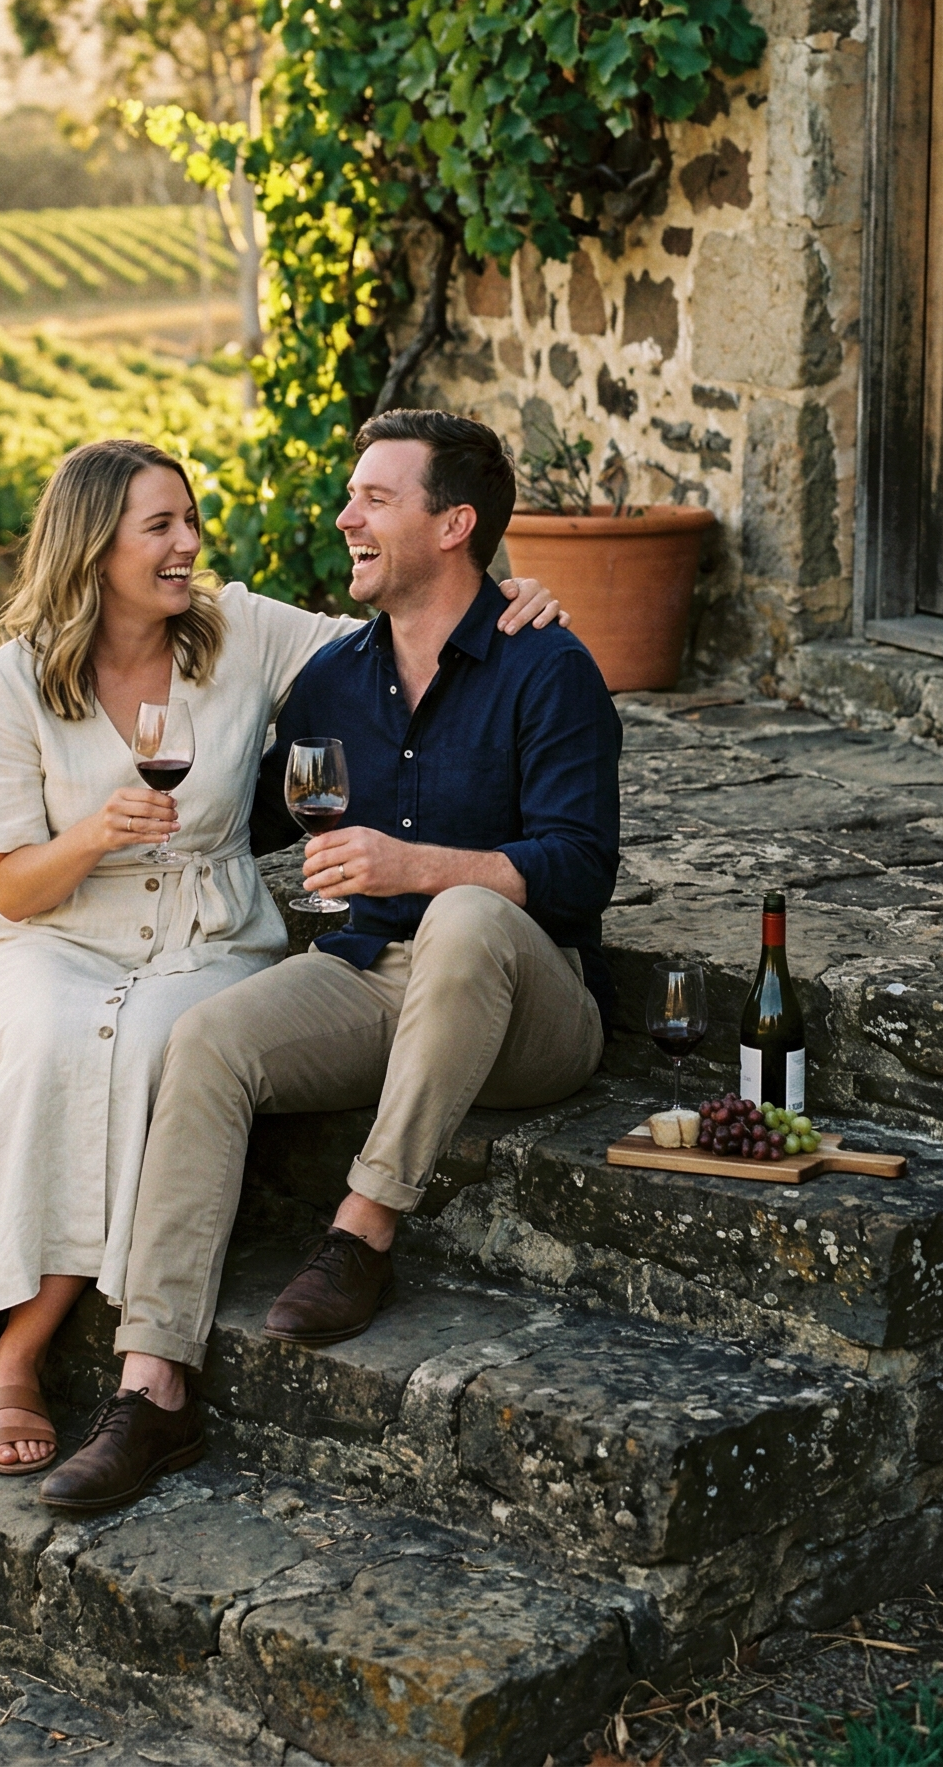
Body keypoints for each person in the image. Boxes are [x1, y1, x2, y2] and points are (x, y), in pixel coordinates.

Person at [0, 434, 565, 1474]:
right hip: (56, 935)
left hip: (206, 937)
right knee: (61, 1046)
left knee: (155, 1047)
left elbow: (404, 624)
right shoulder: (14, 682)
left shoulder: (238, 631)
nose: (188, 546)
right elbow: (11, 887)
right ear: (94, 546)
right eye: (161, 527)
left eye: (190, 521)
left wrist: (518, 597)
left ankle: (16, 1349)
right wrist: (94, 834)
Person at [39, 409, 620, 1514]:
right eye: (350, 495)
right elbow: (249, 814)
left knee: (457, 914)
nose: (345, 516)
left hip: (529, 1003)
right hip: (371, 979)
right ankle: (152, 1388)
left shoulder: (547, 667)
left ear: (454, 525)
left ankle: (361, 1230)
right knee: (208, 1041)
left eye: (374, 499)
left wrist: (416, 864)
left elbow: (580, 868)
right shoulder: (334, 679)